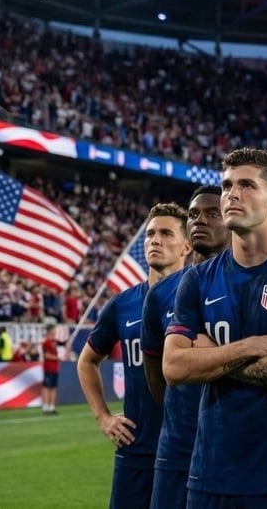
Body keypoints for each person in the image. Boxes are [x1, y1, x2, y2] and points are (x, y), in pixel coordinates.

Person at [163, 147, 267, 509]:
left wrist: (209, 357)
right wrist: (248, 346)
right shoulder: (196, 279)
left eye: (247, 185)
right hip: (210, 475)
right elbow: (173, 368)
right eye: (227, 186)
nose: (232, 195)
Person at [78, 202, 191, 509]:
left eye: (166, 234)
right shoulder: (123, 304)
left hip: (188, 450)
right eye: (150, 234)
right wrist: (103, 417)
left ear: (186, 246)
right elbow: (86, 361)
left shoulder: (200, 298)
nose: (155, 240)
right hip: (136, 450)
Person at [141, 186, 230, 509]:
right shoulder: (160, 294)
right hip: (177, 449)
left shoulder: (255, 284)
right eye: (193, 214)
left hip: (233, 445)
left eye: (212, 213)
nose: (200, 220)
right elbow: (156, 374)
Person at [41, 324, 61, 415]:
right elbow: (46, 355)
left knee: (53, 387)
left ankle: (51, 406)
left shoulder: (54, 342)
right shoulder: (46, 342)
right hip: (48, 368)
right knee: (47, 387)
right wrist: (57, 358)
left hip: (55, 368)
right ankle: (46, 406)